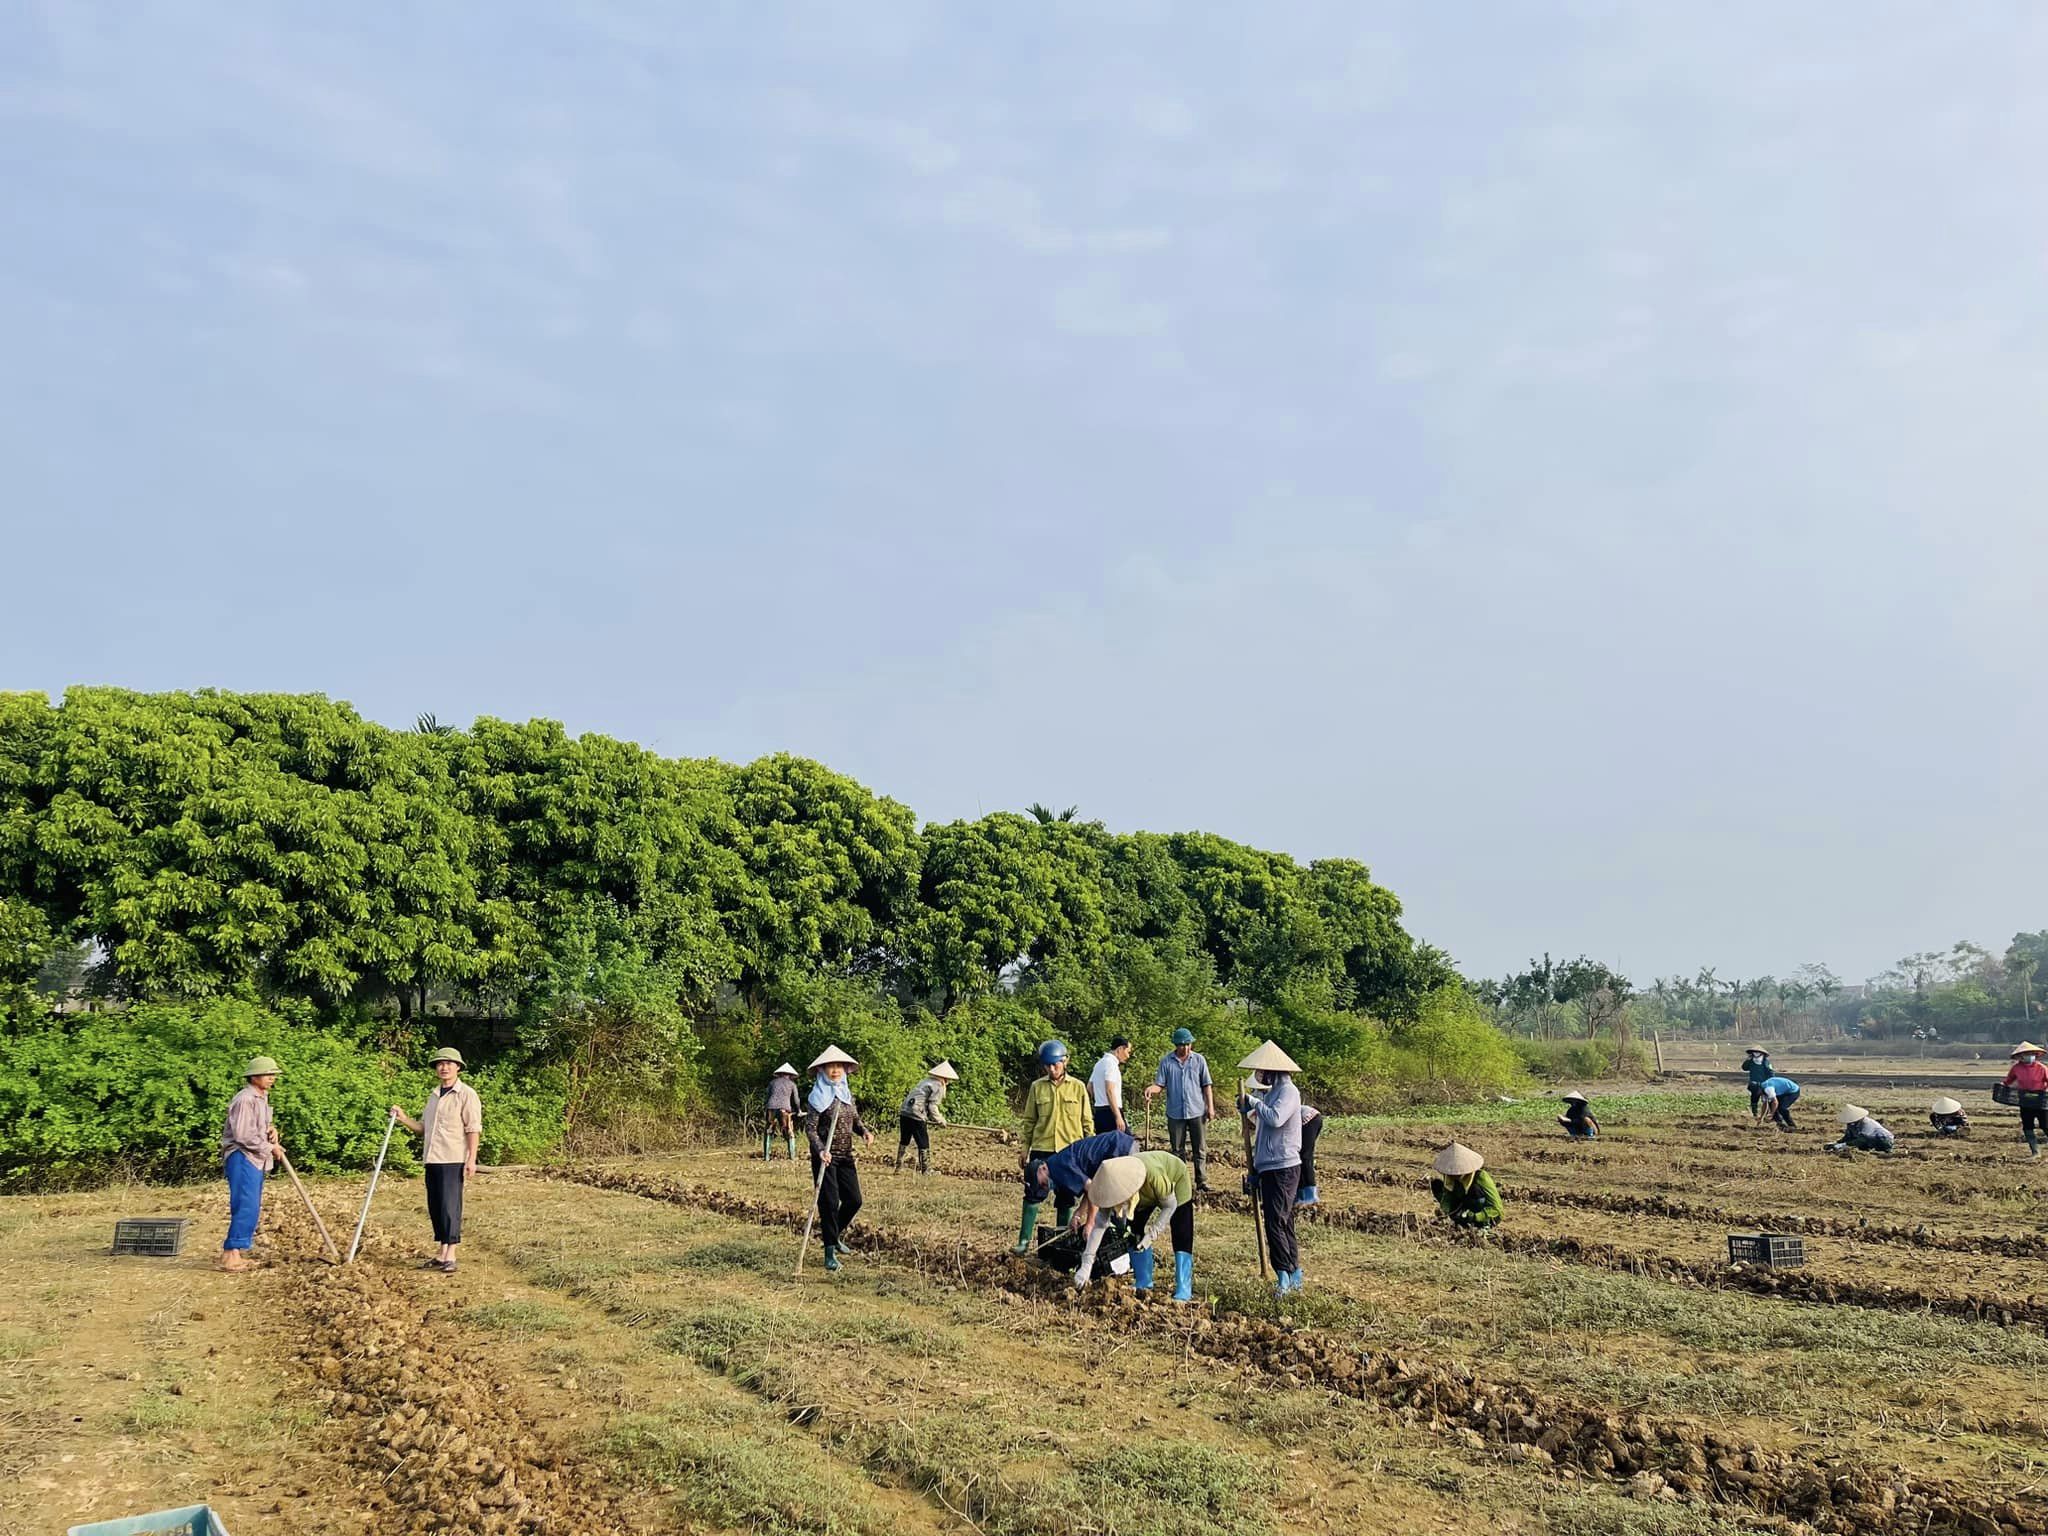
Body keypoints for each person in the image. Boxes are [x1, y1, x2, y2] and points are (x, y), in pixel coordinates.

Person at [390, 1047, 482, 1275]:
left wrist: (471, 1158)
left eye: (449, 1063)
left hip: (452, 1159)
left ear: (458, 1067)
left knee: (450, 1206)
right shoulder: (433, 1096)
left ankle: (451, 1254)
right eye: (440, 1064)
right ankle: (442, 1253)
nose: (444, 1067)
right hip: (432, 1159)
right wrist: (403, 1119)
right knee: (436, 1206)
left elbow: (473, 1128)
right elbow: (423, 1129)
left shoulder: (466, 1094)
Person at [1072, 1151, 1197, 1301]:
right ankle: (1143, 1282)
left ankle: (1183, 1288)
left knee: (1181, 1232)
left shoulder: (1153, 1174)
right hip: (1142, 1196)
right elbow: (1100, 1225)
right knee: (1133, 1232)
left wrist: (1152, 1235)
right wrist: (1086, 1264)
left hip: (1174, 1182)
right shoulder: (1110, 1186)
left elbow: (1170, 1205)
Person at [1238, 1041, 1305, 1296]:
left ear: (1272, 1070)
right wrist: (1255, 1170)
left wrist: (1253, 1102)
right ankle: (1291, 1270)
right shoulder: (1271, 1094)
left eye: (1261, 1070)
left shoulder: (1289, 1092)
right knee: (1281, 1220)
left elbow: (1276, 1118)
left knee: (1276, 1222)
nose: (1258, 1075)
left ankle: (1285, 1275)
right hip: (1268, 1166)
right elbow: (1263, 1130)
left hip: (1284, 1166)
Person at [1015, 1040, 1092, 1252]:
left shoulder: (1078, 1088)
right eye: (1047, 1066)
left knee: (1066, 1199)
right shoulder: (1036, 1087)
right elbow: (1029, 1120)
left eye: (1055, 1064)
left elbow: (1087, 1122)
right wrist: (1025, 1147)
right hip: (1043, 1148)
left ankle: (1061, 1240)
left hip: (1070, 1151)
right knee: (1033, 1194)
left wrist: (1090, 1151)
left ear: (1064, 1061)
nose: (1051, 1069)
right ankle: (1023, 1242)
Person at [804, 1045, 874, 1273]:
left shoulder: (845, 1094)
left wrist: (864, 1131)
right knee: (830, 1203)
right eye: (830, 1067)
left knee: (854, 1200)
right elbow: (811, 1129)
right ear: (822, 1070)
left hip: (846, 1155)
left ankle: (833, 1236)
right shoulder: (817, 1097)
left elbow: (854, 1119)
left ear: (845, 1069)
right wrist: (821, 1150)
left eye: (838, 1067)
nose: (835, 1070)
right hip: (826, 1158)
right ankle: (829, 1253)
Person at [219, 1055, 284, 1273]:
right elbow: (243, 1135)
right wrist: (271, 1148)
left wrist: (271, 1128)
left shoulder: (260, 1097)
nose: (272, 1078)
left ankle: (235, 1252)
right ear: (254, 1076)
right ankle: (230, 1255)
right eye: (268, 1074)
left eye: (273, 1074)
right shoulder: (245, 1099)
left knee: (251, 1205)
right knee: (246, 1204)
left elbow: (259, 1125)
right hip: (242, 1156)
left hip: (254, 1157)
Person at [1144, 1028, 1217, 1192]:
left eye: (1188, 1044)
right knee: (1177, 1150)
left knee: (1200, 1148)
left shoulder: (1199, 1060)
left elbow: (1207, 1085)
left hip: (1197, 1110)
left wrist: (1210, 1107)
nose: (1185, 1048)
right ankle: (1181, 1182)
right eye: (1182, 1045)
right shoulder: (1166, 1062)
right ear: (1176, 1045)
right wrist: (1151, 1089)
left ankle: (1202, 1181)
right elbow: (1160, 1085)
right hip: (1175, 1112)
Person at [1032, 1128, 1138, 1224]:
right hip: (1122, 1145)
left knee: (1118, 1207)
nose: (1044, 1187)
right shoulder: (1056, 1164)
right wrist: (1078, 1214)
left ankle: (1128, 1239)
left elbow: (1093, 1189)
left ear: (1042, 1168)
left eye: (1041, 1183)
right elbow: (1090, 1189)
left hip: (1120, 1150)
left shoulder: (1059, 1169)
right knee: (1115, 1209)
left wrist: (1090, 1223)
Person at [896, 1061, 958, 1173]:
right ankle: (926, 1169)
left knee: (904, 1139)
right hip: (917, 1113)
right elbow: (932, 1106)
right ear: (945, 1077)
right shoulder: (938, 1085)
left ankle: (898, 1167)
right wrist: (940, 1120)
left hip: (905, 1111)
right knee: (923, 1141)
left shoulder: (925, 1081)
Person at [1430, 1143, 1504, 1228]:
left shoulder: (1481, 1177)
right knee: (1437, 1185)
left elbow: (1497, 1210)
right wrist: (1444, 1211)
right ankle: (1459, 1220)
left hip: (1481, 1214)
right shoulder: (1449, 1177)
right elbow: (1447, 1196)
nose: (1454, 1175)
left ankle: (1480, 1224)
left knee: (1475, 1191)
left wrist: (1475, 1216)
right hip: (1462, 1208)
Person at [2002, 1043, 2048, 1156]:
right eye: (2026, 1054)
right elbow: (2008, 1081)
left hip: (2040, 1100)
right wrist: (2002, 1085)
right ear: (2021, 1056)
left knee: (2045, 1125)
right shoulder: (2016, 1068)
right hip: (2025, 1100)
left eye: (2031, 1054)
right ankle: (2035, 1152)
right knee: (2028, 1126)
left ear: (2035, 1055)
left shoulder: (2042, 1068)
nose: (2029, 1056)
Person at [1088, 1037, 1133, 1134]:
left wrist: (1099, 1099)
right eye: (1128, 1052)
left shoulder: (1099, 1063)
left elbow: (1089, 1087)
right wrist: (1117, 1116)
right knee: (1126, 1142)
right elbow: (1110, 1090)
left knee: (1104, 1144)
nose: (1128, 1056)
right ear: (1120, 1049)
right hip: (1111, 1111)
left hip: (1099, 1111)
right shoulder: (1111, 1064)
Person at [764, 1063, 800, 1161]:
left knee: (768, 1131)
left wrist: (765, 1107)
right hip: (785, 1109)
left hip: (771, 1107)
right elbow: (796, 1100)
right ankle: (792, 1156)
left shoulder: (772, 1083)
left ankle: (766, 1156)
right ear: (790, 1075)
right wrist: (798, 1110)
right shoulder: (792, 1084)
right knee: (789, 1130)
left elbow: (767, 1097)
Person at [1829, 1104, 1895, 1154]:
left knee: (1861, 1142)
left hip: (1883, 1139)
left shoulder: (1866, 1123)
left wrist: (1843, 1145)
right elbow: (1848, 1137)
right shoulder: (1851, 1124)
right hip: (1870, 1140)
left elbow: (1863, 1139)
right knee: (1860, 1145)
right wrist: (1836, 1143)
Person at [1296, 1101, 1322, 1206]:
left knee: (1305, 1156)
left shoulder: (1262, 1116)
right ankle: (1300, 1193)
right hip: (1301, 1123)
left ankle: (1310, 1194)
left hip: (1310, 1119)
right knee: (1296, 1157)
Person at [1743, 1049, 1775, 1119]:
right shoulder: (1751, 1061)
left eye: (1758, 1052)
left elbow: (1771, 1072)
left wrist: (1770, 1082)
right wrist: (1747, 1060)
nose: (1756, 1054)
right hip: (1754, 1084)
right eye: (1754, 1052)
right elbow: (1744, 1068)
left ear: (1762, 1053)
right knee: (1754, 1098)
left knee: (1766, 1099)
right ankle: (1755, 1114)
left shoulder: (1765, 1062)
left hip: (1764, 1083)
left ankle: (1766, 1114)